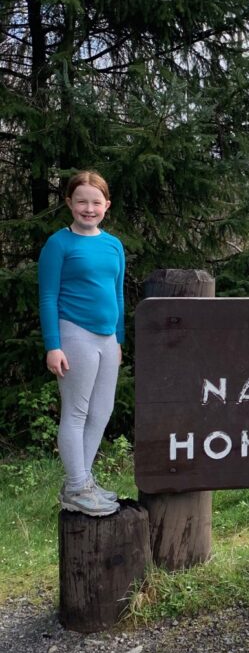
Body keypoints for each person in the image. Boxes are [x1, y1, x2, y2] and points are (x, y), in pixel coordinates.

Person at [38, 170, 125, 517]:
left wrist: (119, 339)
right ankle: (76, 486)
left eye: (95, 202)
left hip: (107, 338)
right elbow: (47, 295)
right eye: (81, 202)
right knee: (76, 412)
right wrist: (52, 344)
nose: (88, 208)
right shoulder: (59, 244)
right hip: (74, 333)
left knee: (100, 413)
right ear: (69, 203)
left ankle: (82, 482)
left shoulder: (113, 244)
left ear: (106, 205)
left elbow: (116, 293)